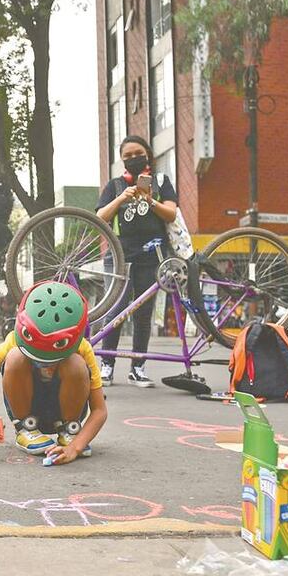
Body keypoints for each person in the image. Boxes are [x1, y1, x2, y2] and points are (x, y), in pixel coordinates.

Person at [0, 281, 108, 465]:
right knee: (15, 357)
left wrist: (75, 447)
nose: (46, 364)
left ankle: (69, 430)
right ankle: (26, 428)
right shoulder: (13, 342)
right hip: (28, 411)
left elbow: (99, 410)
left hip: (66, 413)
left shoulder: (82, 348)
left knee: (76, 363)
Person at [95, 135, 179, 387]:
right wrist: (122, 198)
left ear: (148, 155)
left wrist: (150, 200)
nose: (133, 159)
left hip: (152, 254)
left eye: (138, 153)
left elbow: (171, 213)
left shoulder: (162, 182)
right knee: (115, 309)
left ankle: (138, 367)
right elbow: (100, 216)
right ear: (122, 161)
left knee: (143, 313)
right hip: (119, 254)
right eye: (127, 156)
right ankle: (107, 366)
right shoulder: (115, 185)